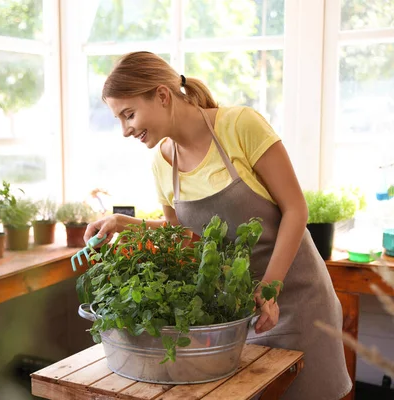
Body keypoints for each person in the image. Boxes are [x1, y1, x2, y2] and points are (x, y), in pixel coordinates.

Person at [83, 51, 351, 400]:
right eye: (118, 118)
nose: (124, 130)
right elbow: (183, 237)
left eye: (129, 114)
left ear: (162, 96)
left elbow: (296, 209)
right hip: (235, 317)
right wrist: (123, 224)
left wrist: (270, 289)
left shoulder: (240, 126)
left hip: (298, 303)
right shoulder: (162, 164)